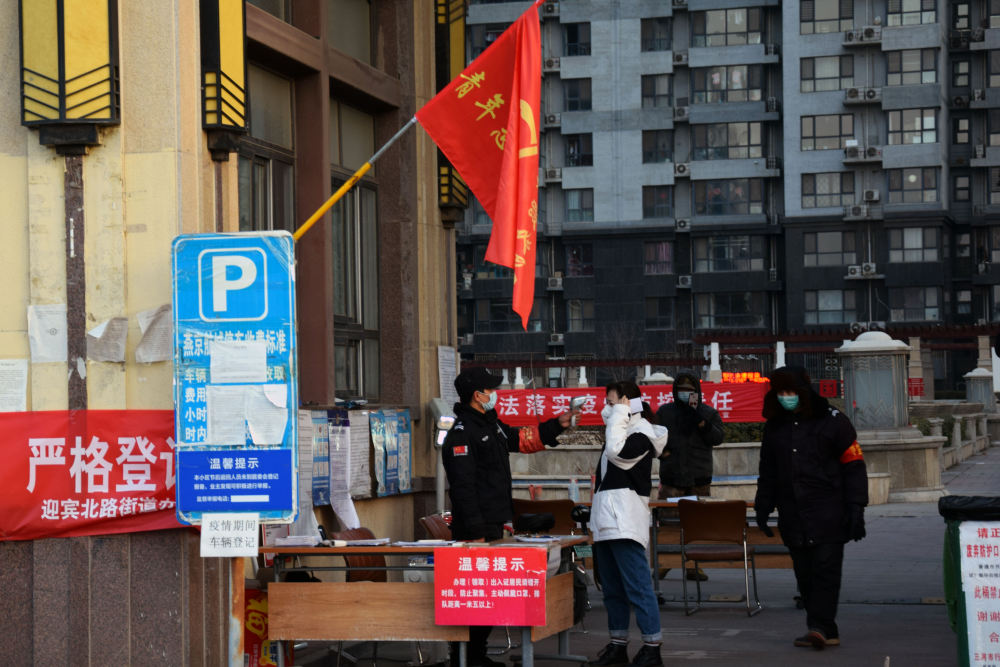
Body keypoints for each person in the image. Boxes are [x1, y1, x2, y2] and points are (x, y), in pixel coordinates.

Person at [442, 366, 579, 667]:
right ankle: (463, 658)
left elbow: (521, 439)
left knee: (488, 597)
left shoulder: (491, 425)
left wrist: (558, 425)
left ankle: (475, 655)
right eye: (491, 390)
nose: (496, 394)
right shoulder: (462, 434)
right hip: (474, 529)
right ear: (477, 396)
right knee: (473, 598)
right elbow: (463, 489)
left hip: (494, 524)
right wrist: (477, 533)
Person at [754, 366, 868, 650]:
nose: (786, 398)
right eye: (781, 393)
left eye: (791, 392)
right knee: (804, 574)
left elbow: (854, 466)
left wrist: (856, 506)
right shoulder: (775, 426)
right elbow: (767, 470)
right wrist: (763, 505)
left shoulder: (834, 422)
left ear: (804, 392)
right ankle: (824, 628)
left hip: (829, 513)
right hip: (793, 515)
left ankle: (820, 627)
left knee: (825, 572)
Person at [591, 381, 668, 667]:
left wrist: (619, 415)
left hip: (625, 520)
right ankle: (618, 643)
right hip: (606, 520)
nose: (607, 408)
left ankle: (652, 645)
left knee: (637, 586)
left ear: (626, 402)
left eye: (612, 402)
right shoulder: (621, 429)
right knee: (611, 588)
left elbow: (618, 454)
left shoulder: (641, 433)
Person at [655, 372, 725, 581]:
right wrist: (663, 454)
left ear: (698, 392)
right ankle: (666, 562)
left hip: (698, 479)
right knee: (668, 523)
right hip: (672, 478)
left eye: (690, 391)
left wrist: (702, 423)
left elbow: (718, 438)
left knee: (697, 524)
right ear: (675, 392)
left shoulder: (708, 413)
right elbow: (653, 436)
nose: (686, 394)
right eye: (682, 390)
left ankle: (695, 565)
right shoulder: (665, 412)